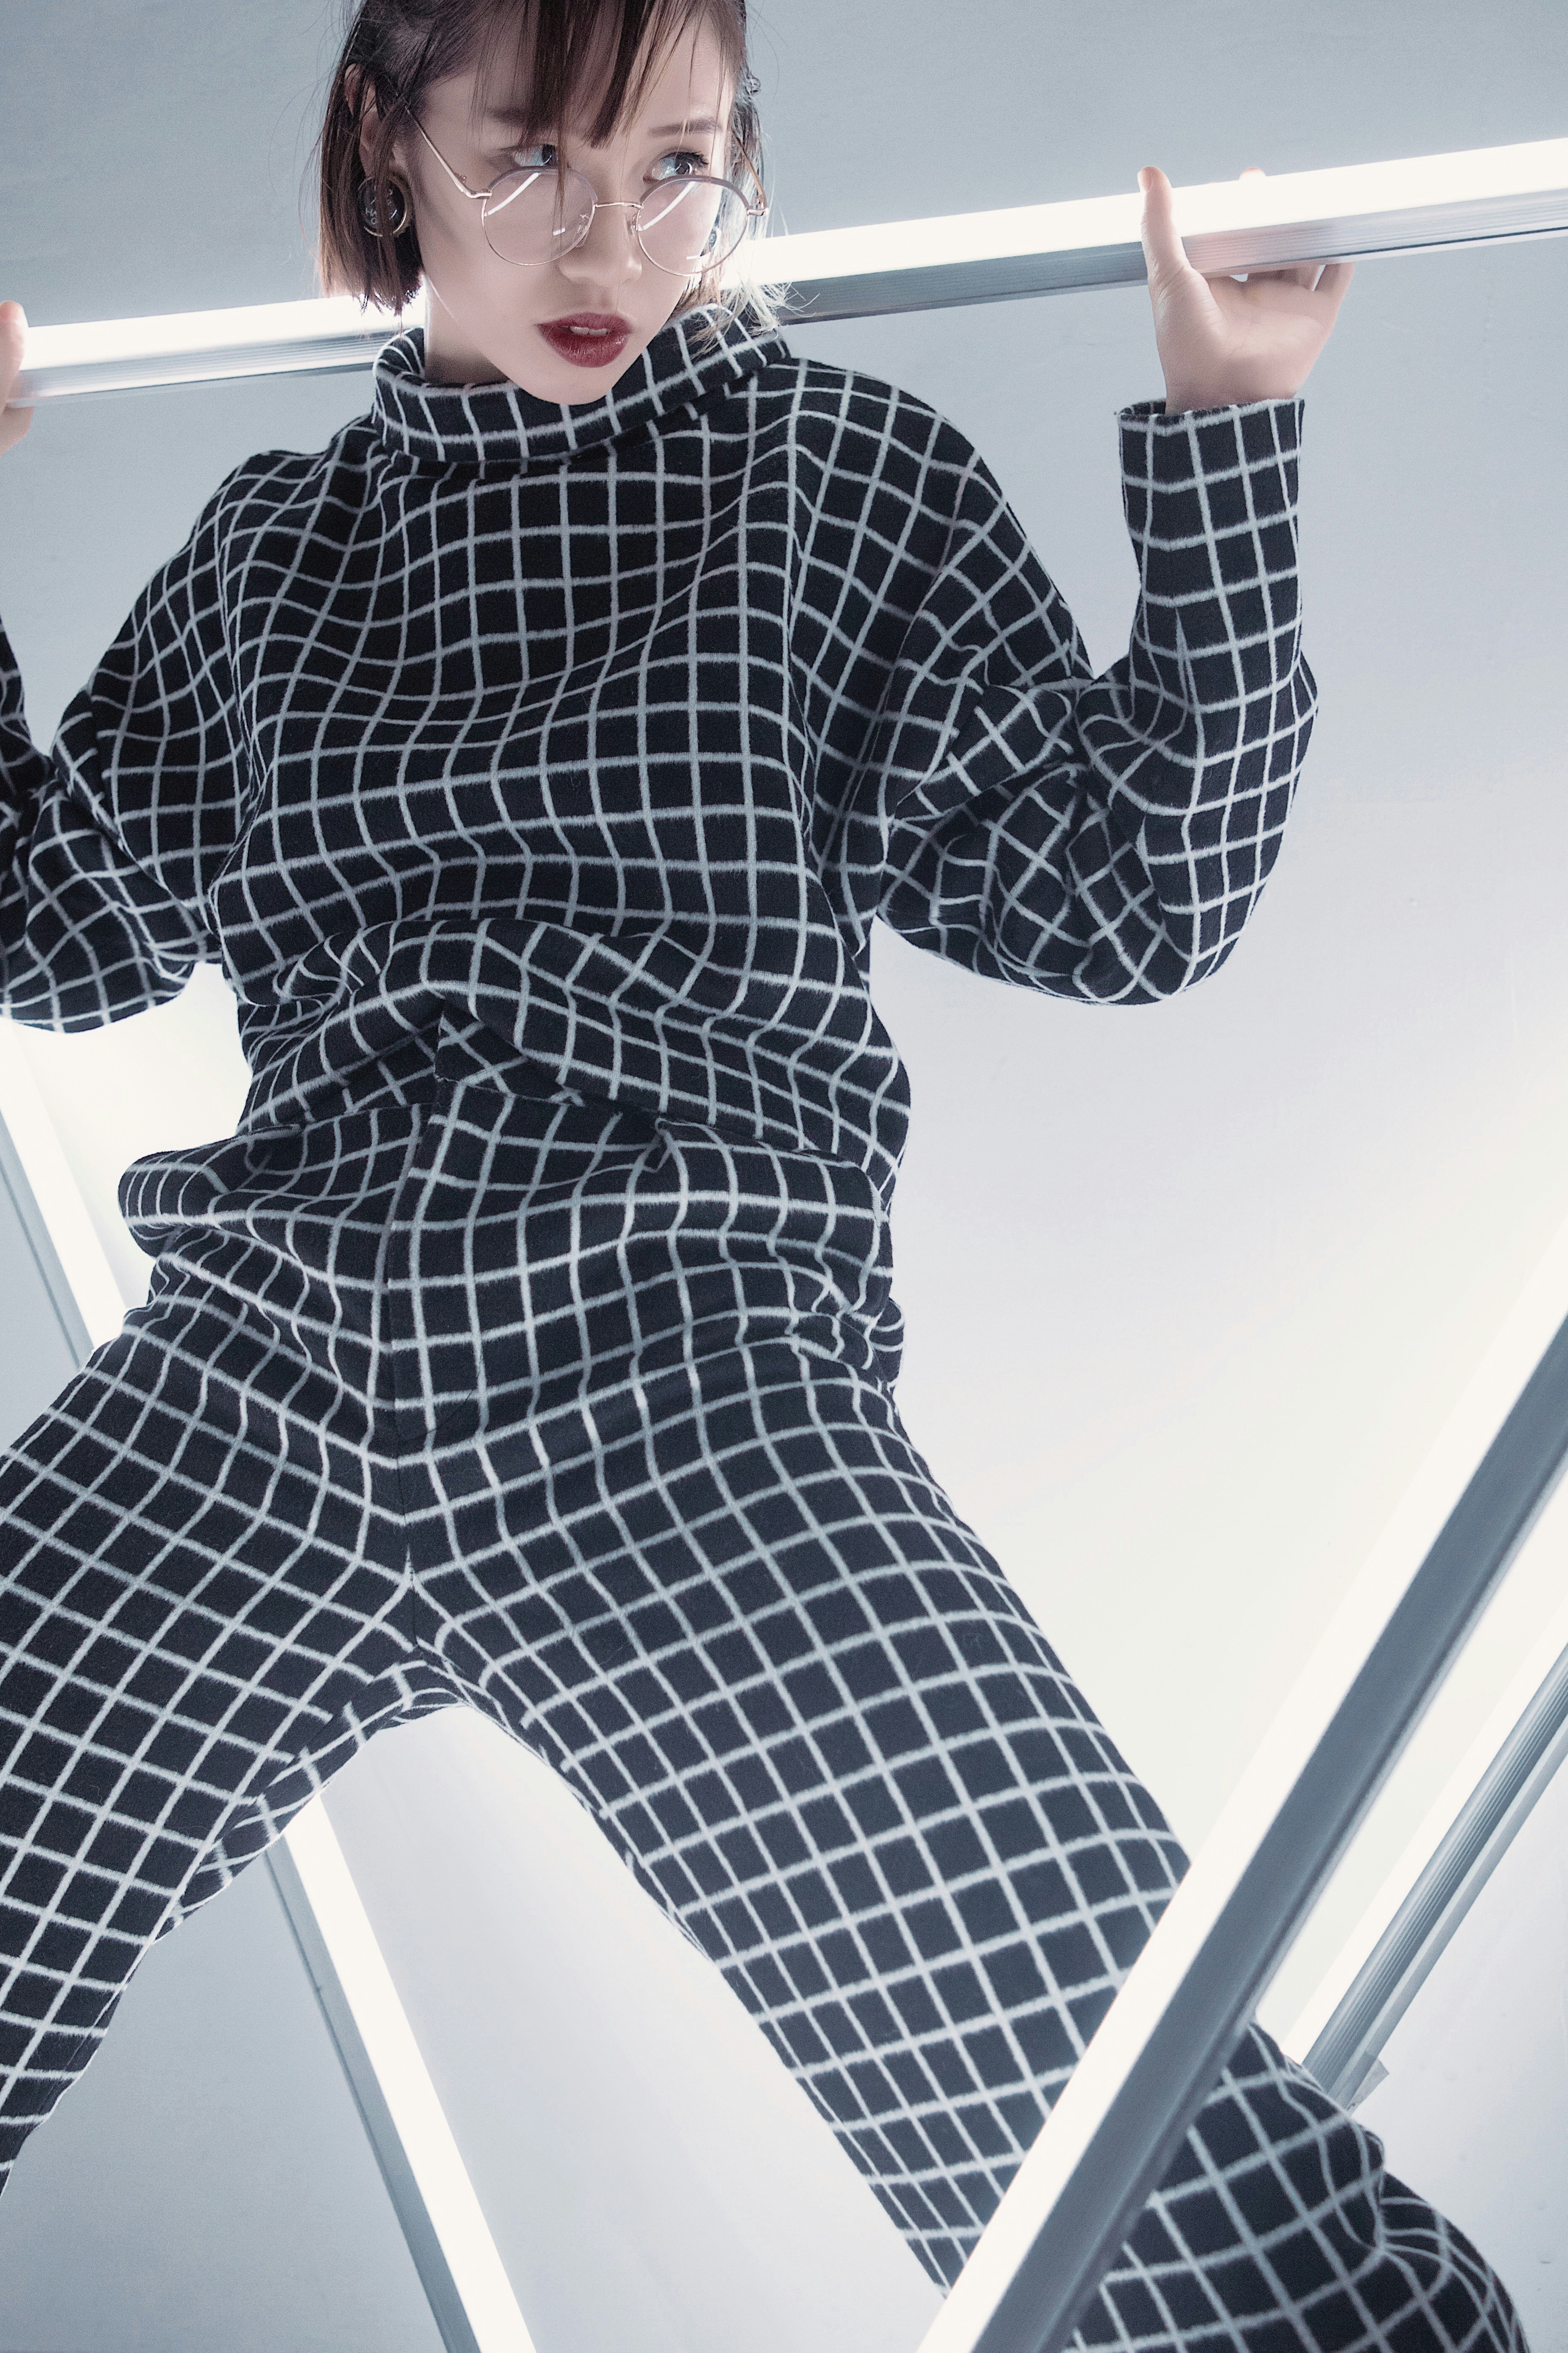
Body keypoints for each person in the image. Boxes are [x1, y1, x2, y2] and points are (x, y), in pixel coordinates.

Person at [0, 1, 1523, 2345]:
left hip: (682, 1384)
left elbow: (1124, 897)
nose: (613, 241)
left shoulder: (830, 477)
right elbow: (66, 933)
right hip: (259, 1373)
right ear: (386, 144)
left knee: (1170, 2210)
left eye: (680, 167)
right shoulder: (272, 554)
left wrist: (1228, 434)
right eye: (532, 162)